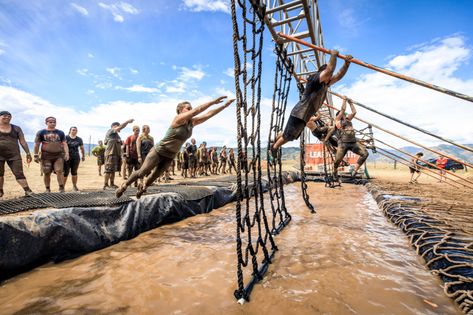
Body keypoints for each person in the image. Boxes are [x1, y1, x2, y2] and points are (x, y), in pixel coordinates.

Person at [116, 96, 234, 198]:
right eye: (188, 108)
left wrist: (224, 106)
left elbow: (208, 114)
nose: (191, 110)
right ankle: (125, 185)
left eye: (191, 108)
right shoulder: (177, 119)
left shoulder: (191, 123)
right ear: (180, 110)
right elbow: (196, 111)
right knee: (143, 172)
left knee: (154, 176)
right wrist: (213, 102)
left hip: (170, 155)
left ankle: (143, 187)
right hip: (159, 151)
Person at [271, 50, 353, 154]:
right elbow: (330, 70)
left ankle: (273, 142)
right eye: (328, 75)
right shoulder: (314, 79)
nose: (331, 77)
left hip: (303, 115)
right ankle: (274, 147)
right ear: (322, 73)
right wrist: (333, 55)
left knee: (289, 134)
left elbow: (338, 76)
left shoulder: (325, 84)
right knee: (289, 135)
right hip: (300, 113)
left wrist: (346, 64)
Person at [325, 97, 368, 180]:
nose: (344, 116)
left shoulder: (348, 119)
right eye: (343, 115)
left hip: (353, 143)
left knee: (365, 154)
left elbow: (354, 112)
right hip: (343, 144)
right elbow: (343, 110)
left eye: (344, 115)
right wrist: (344, 100)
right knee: (337, 161)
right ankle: (334, 171)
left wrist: (351, 103)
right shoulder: (337, 120)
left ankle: (355, 170)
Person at [0, 111, 33, 197]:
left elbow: (23, 142)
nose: (7, 117)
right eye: (4, 116)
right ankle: (0, 191)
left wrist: (28, 153)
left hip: (14, 155)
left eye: (9, 116)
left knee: (19, 173)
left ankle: (28, 191)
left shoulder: (16, 128)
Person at [34, 116, 69, 192]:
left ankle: (61, 188)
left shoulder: (60, 132)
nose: (53, 123)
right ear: (46, 123)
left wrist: (67, 153)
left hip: (58, 156)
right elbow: (37, 144)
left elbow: (64, 144)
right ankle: (47, 189)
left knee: (59, 171)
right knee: (46, 172)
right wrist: (36, 155)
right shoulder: (41, 132)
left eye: (54, 122)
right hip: (46, 156)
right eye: (50, 122)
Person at [103, 119, 134, 189]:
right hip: (110, 154)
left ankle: (112, 184)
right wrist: (127, 121)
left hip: (116, 154)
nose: (120, 128)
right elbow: (121, 127)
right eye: (118, 126)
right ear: (114, 126)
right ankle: (105, 185)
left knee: (113, 170)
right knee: (108, 170)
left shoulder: (116, 135)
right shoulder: (110, 130)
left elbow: (120, 146)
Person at [63, 126, 85, 191]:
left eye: (75, 130)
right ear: (70, 130)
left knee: (74, 172)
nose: (74, 131)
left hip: (76, 157)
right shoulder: (65, 138)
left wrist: (83, 156)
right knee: (65, 173)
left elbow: (82, 148)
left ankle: (74, 186)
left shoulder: (79, 139)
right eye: (73, 130)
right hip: (66, 158)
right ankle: (62, 187)